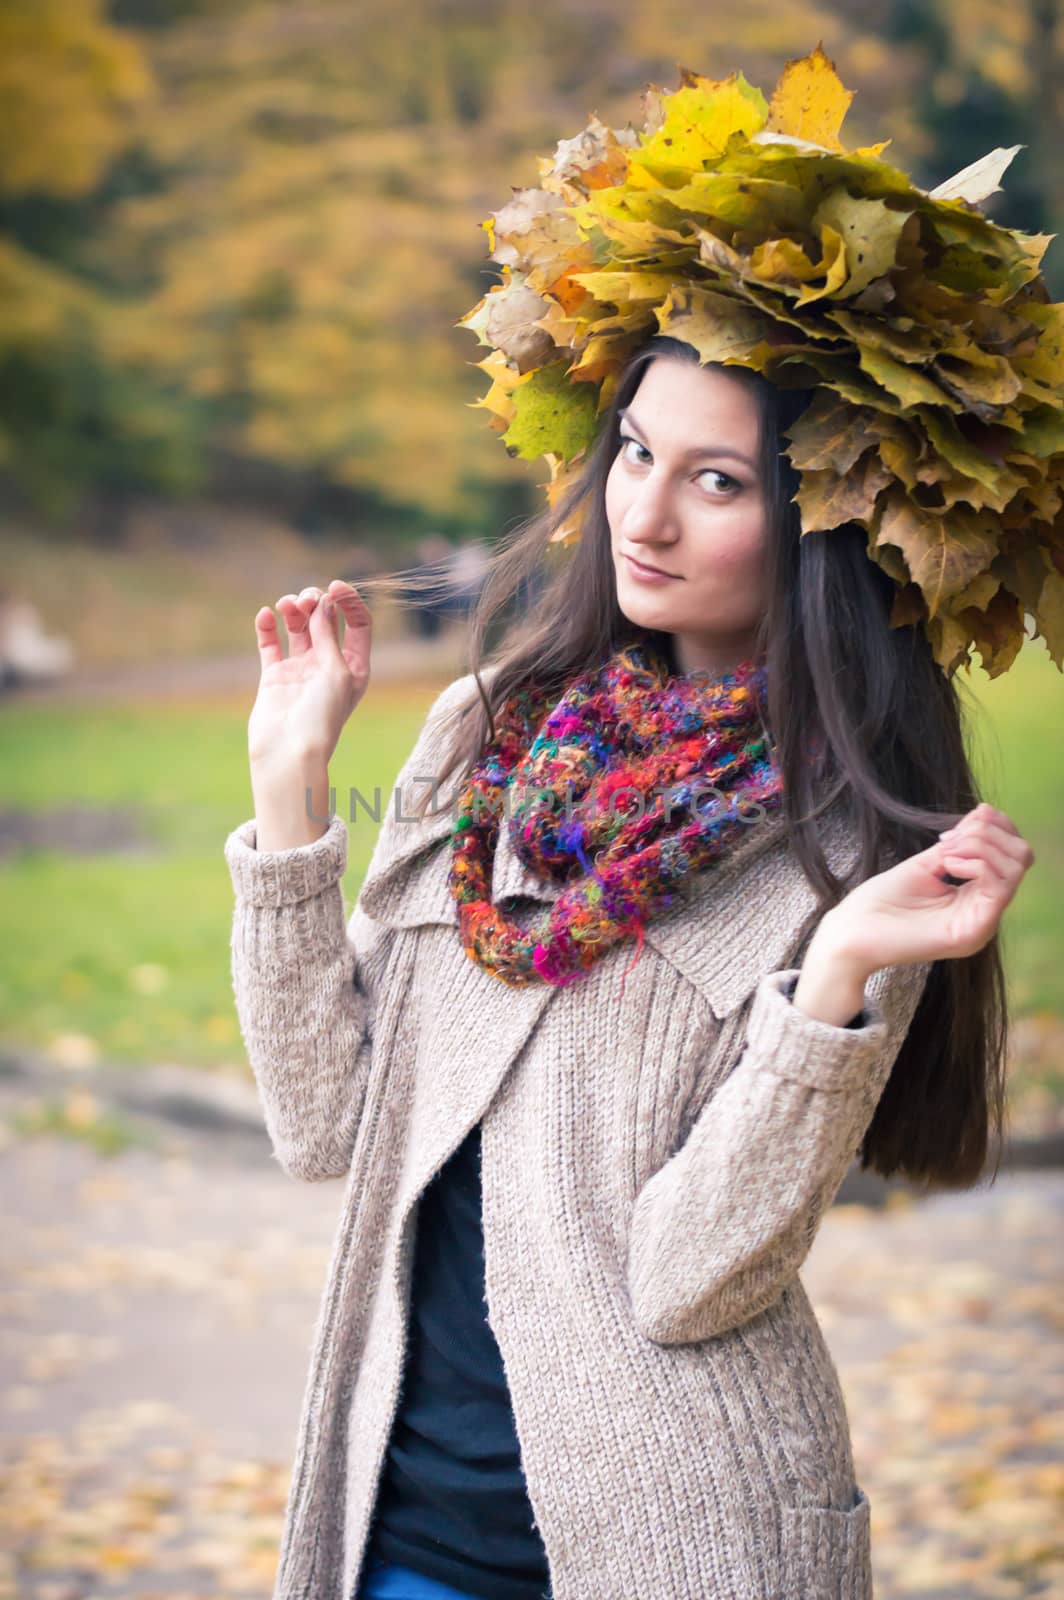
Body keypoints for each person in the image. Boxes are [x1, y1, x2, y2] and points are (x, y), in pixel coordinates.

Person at [224, 50, 1052, 1600]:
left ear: (824, 516)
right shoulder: (494, 732)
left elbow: (684, 1280)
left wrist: (836, 982)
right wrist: (290, 799)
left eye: (718, 478)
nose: (645, 515)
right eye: (636, 453)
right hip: (395, 1517)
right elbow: (324, 1125)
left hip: (682, 1539)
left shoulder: (859, 856)